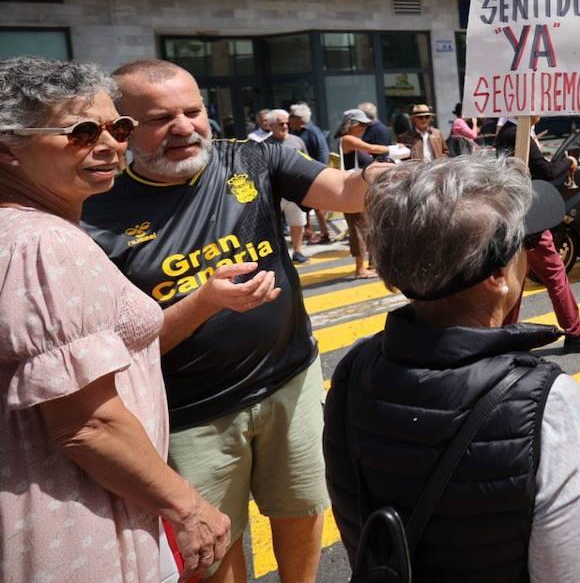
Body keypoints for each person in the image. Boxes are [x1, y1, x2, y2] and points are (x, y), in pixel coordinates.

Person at [81, 60, 385, 583]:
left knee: (302, 506)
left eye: (193, 111)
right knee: (212, 538)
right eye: (160, 118)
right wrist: (205, 301)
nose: (183, 127)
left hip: (290, 378)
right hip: (191, 416)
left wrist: (376, 176)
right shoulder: (93, 212)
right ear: (124, 128)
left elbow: (344, 191)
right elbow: (119, 350)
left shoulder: (252, 159)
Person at [323, 154, 580, 582]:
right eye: (522, 244)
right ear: (498, 276)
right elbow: (574, 575)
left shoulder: (351, 372)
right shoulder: (548, 403)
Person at [0, 58, 231, 581]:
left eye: (117, 127)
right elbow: (89, 423)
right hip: (77, 523)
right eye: (81, 132)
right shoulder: (44, 244)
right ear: (7, 149)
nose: (108, 145)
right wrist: (189, 508)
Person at [494, 118, 580, 353]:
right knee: (555, 272)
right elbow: (544, 172)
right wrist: (568, 161)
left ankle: (507, 337)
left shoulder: (509, 130)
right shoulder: (518, 131)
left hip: (516, 212)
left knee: (519, 275)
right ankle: (574, 331)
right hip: (528, 216)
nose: (541, 111)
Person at [338, 108, 406, 281]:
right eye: (361, 125)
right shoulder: (348, 139)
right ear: (351, 125)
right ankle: (360, 268)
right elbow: (372, 148)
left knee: (366, 227)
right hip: (351, 191)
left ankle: (370, 264)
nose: (363, 128)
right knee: (358, 229)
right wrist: (394, 148)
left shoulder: (354, 139)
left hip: (361, 190)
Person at [266, 109, 312, 265]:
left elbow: (307, 162)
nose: (285, 126)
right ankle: (278, 254)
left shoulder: (297, 141)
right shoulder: (264, 145)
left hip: (295, 190)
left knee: (297, 223)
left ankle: (297, 251)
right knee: (273, 225)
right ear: (271, 126)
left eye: (287, 123)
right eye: (280, 123)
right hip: (275, 193)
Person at [289, 103, 334, 243]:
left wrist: (320, 172)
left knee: (318, 204)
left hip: (314, 173)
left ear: (298, 118)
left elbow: (322, 152)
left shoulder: (312, 131)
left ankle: (324, 232)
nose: (288, 120)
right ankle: (308, 231)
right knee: (303, 203)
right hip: (300, 173)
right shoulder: (294, 132)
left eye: (290, 117)